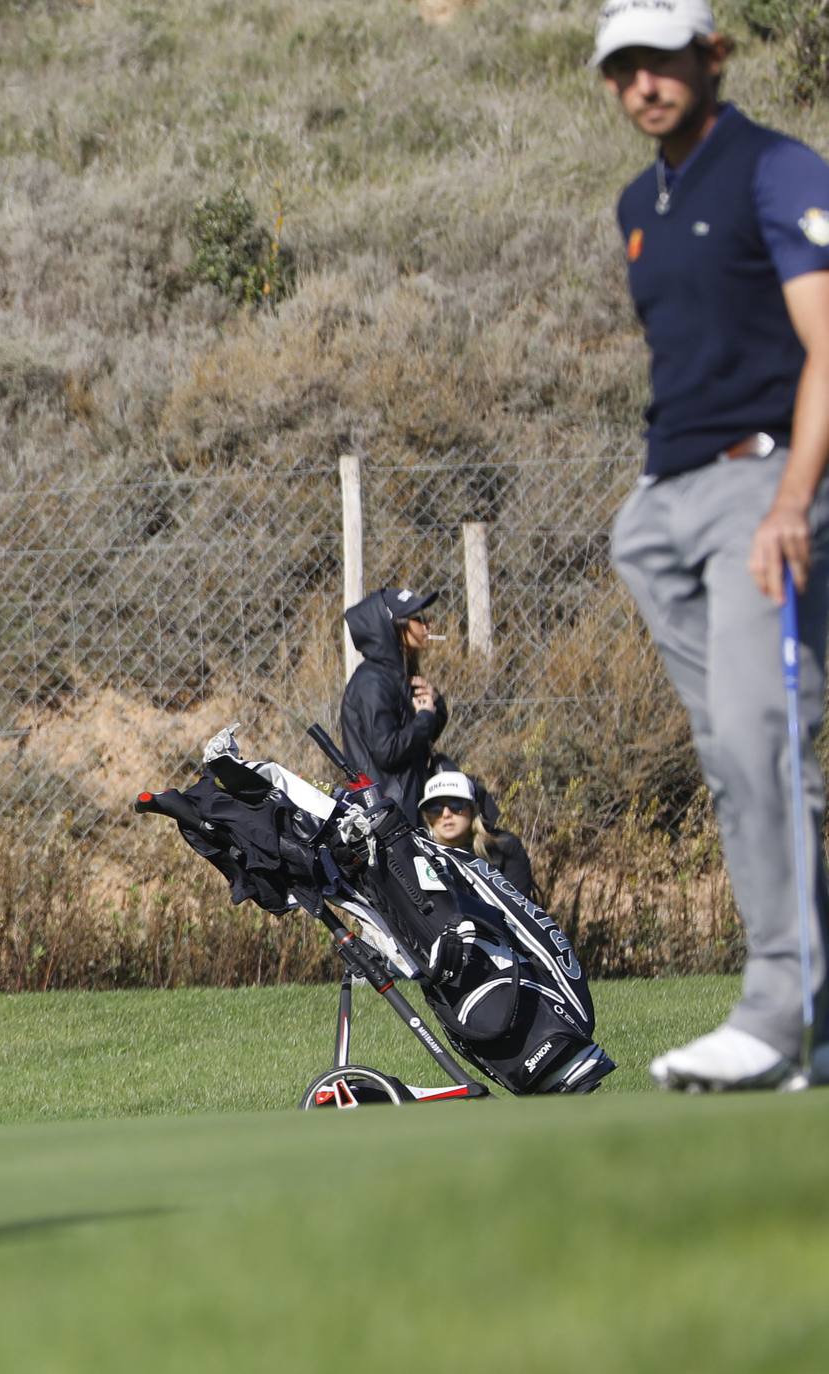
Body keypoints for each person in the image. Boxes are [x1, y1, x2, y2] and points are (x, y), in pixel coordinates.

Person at [594, 0, 829, 1089]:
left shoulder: (774, 169)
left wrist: (791, 498)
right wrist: (646, 505)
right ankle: (807, 1025)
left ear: (712, 56)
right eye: (623, 67)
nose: (644, 83)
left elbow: (824, 342)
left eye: (663, 59)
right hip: (664, 508)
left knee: (757, 743)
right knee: (742, 764)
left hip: (760, 490)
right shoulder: (637, 202)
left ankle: (777, 1012)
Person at [339, 587, 448, 821]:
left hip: (404, 809)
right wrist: (424, 718)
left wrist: (435, 705)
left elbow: (418, 741)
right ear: (394, 627)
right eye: (418, 619)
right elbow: (387, 750)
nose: (427, 625)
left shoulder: (394, 676)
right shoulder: (372, 682)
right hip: (386, 819)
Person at [418, 770, 538, 904]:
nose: (446, 814)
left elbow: (519, 909)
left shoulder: (505, 849)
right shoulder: (420, 859)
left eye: (455, 804)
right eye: (435, 808)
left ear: (473, 809)